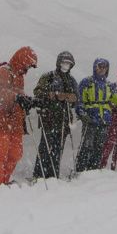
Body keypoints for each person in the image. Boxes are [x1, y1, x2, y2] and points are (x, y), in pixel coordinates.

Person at [0, 46, 38, 191]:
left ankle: (4, 181)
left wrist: (27, 101)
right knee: (0, 153)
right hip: (2, 120)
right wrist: (17, 98)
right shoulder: (4, 71)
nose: (29, 67)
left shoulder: (20, 76)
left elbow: (17, 93)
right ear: (22, 60)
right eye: (28, 64)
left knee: (16, 153)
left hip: (16, 122)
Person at [75, 58, 117, 172]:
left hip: (104, 120)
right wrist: (81, 112)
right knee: (87, 146)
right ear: (95, 67)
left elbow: (116, 98)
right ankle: (80, 170)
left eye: (104, 67)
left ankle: (94, 170)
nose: (102, 69)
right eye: (100, 67)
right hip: (90, 119)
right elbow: (80, 99)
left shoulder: (108, 85)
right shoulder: (87, 82)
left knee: (99, 147)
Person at [31, 51, 79, 180]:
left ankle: (53, 175)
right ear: (59, 62)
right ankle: (39, 174)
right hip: (49, 117)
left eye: (69, 63)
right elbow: (38, 92)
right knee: (45, 147)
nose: (66, 65)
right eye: (64, 62)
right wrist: (53, 95)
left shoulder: (72, 80)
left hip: (64, 120)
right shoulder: (49, 76)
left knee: (58, 149)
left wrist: (70, 97)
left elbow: (77, 99)